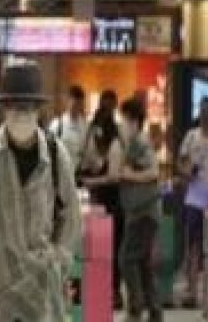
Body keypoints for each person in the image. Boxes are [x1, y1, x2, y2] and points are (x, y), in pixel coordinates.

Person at [0, 62, 81, 322]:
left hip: (40, 287)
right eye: (14, 106)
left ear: (37, 109)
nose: (21, 113)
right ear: (4, 109)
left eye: (27, 106)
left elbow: (71, 215)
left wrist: (60, 260)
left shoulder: (56, 156)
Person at [177, 96, 208, 308]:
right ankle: (192, 292)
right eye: (202, 111)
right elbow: (181, 162)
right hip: (194, 199)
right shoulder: (191, 136)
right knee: (193, 245)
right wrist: (187, 172)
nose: (204, 116)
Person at [118, 97, 163, 322]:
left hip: (143, 212)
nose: (123, 124)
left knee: (126, 259)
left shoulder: (140, 142)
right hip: (142, 212)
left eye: (125, 119)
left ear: (134, 121)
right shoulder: (133, 143)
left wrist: (129, 175)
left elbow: (154, 173)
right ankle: (154, 310)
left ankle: (136, 308)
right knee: (143, 262)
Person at [80, 92, 124, 308]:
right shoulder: (99, 143)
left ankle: (114, 292)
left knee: (113, 249)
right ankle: (101, 289)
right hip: (101, 202)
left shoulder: (115, 145)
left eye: (99, 139)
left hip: (115, 203)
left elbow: (113, 176)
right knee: (99, 248)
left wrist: (93, 182)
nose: (97, 143)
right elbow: (93, 161)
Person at [49, 85, 89, 174]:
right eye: (74, 103)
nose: (77, 107)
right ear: (67, 101)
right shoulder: (57, 125)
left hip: (80, 172)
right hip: (62, 172)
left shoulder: (85, 126)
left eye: (80, 104)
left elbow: (88, 150)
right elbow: (50, 150)